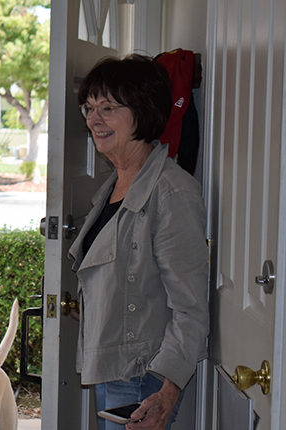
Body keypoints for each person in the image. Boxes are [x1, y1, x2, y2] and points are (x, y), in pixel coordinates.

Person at [69, 54, 209, 430]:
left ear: (143, 111)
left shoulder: (171, 192)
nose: (94, 119)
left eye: (108, 108)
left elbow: (190, 307)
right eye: (89, 108)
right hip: (113, 368)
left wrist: (168, 390)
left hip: (143, 377)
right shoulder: (114, 186)